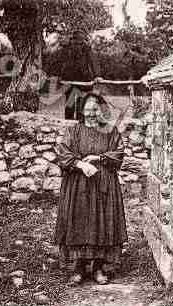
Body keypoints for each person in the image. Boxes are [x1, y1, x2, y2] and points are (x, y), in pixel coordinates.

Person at [54, 92, 127, 285]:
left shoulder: (110, 131)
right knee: (79, 222)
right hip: (78, 185)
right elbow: (63, 154)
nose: (91, 113)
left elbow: (119, 153)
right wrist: (80, 164)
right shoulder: (73, 131)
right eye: (87, 108)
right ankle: (78, 268)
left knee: (102, 224)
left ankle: (98, 268)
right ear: (81, 110)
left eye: (95, 108)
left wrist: (98, 158)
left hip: (104, 184)